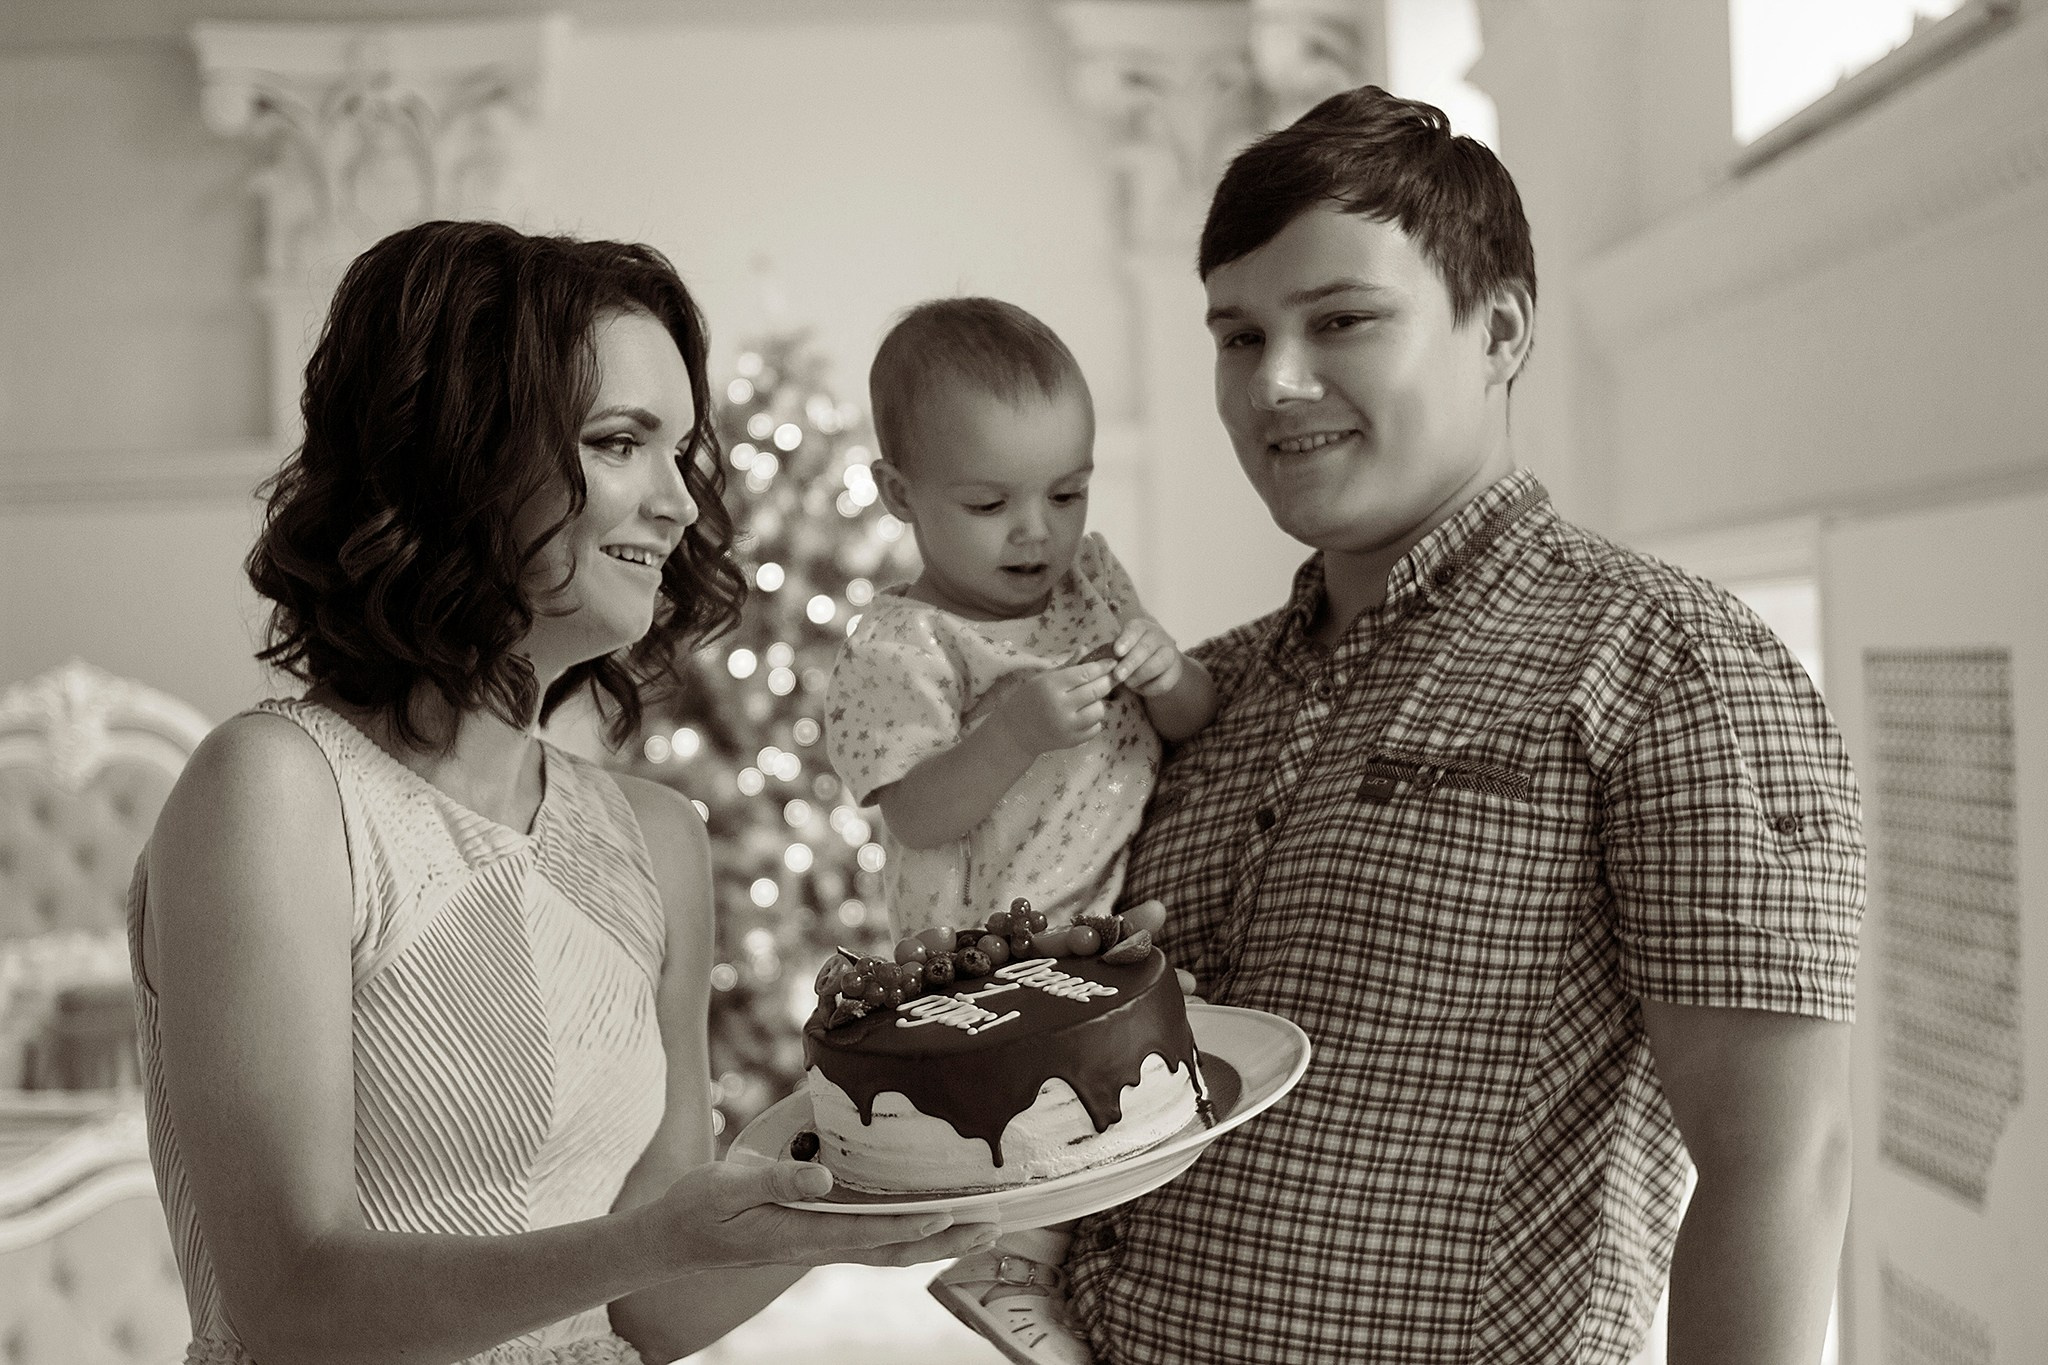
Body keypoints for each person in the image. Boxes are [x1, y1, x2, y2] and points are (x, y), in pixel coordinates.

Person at [1043, 87, 1864, 1365]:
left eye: (1340, 319)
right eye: (1238, 335)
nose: (1275, 383)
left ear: (1499, 330)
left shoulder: (1665, 662)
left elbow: (1781, 1165)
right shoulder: (1205, 690)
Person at [133, 219, 995, 1365]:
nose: (679, 504)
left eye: (680, 452)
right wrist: (651, 1242)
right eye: (619, 442)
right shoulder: (274, 793)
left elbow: (652, 1311)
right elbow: (294, 1306)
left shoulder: (656, 842)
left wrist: (883, 1160)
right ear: (457, 455)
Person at [822, 297, 1216, 1362]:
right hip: (989, 937)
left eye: (1068, 492)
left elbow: (1193, 719)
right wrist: (1013, 735)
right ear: (899, 494)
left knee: (1135, 1100)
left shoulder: (1091, 583)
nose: (1037, 530)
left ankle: (1071, 1267)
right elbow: (915, 810)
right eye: (990, 502)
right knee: (1042, 1115)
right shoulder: (904, 643)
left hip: (1099, 909)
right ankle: (1004, 1269)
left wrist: (1170, 672)